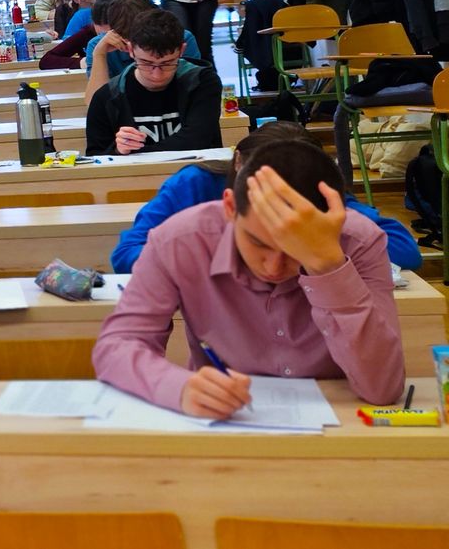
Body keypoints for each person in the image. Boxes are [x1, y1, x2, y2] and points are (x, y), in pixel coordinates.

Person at [92, 138, 403, 417]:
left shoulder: (359, 241)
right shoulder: (179, 240)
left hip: (342, 419)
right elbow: (116, 347)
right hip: (223, 420)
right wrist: (178, 387)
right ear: (230, 207)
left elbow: (382, 389)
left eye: (295, 249)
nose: (274, 267)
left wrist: (329, 267)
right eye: (258, 243)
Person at [110, 123, 421, 273]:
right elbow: (127, 254)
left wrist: (316, 246)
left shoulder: (315, 190)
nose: (271, 196)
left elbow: (404, 251)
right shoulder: (195, 183)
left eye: (287, 192)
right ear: (238, 163)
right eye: (260, 182)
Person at [83, 7, 222, 157]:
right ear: (131, 50)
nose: (157, 75)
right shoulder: (107, 96)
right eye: (146, 63)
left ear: (181, 51)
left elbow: (197, 140)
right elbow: (95, 156)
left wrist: (134, 153)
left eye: (167, 63)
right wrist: (117, 150)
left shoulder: (202, 81)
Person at [38, 0, 129, 70]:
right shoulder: (90, 32)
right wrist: (87, 62)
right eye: (102, 21)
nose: (109, 31)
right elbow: (46, 61)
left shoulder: (133, 34)